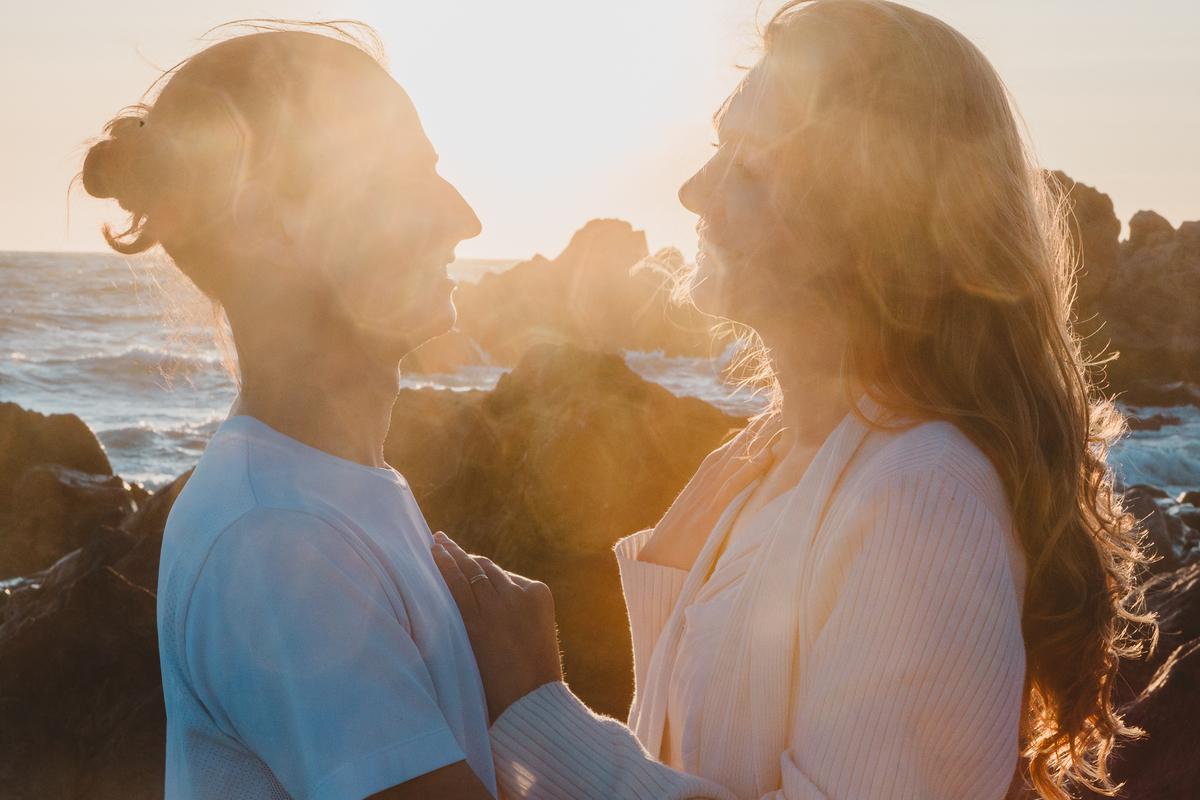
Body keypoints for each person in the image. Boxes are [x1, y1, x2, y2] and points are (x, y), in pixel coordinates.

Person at [431, 2, 1151, 799]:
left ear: (874, 218)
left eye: (749, 166)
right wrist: (667, 583)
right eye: (718, 147)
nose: (693, 191)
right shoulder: (766, 468)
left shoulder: (924, 492)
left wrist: (535, 706)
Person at [82, 24, 500, 799]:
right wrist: (537, 695)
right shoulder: (278, 537)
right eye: (406, 178)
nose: (464, 218)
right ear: (269, 224)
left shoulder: (331, 488)